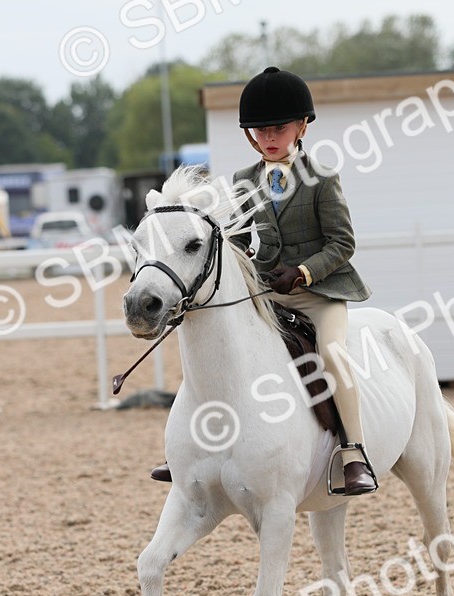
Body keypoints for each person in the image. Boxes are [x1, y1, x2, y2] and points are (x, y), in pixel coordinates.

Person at [151, 66, 377, 496]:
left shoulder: (322, 178)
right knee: (218, 345)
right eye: (261, 130)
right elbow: (237, 241)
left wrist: (304, 272)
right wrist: (245, 268)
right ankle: (189, 449)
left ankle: (353, 452)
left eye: (279, 128)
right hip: (269, 290)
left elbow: (342, 242)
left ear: (302, 126)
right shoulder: (243, 181)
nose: (269, 137)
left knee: (332, 354)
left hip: (320, 293)